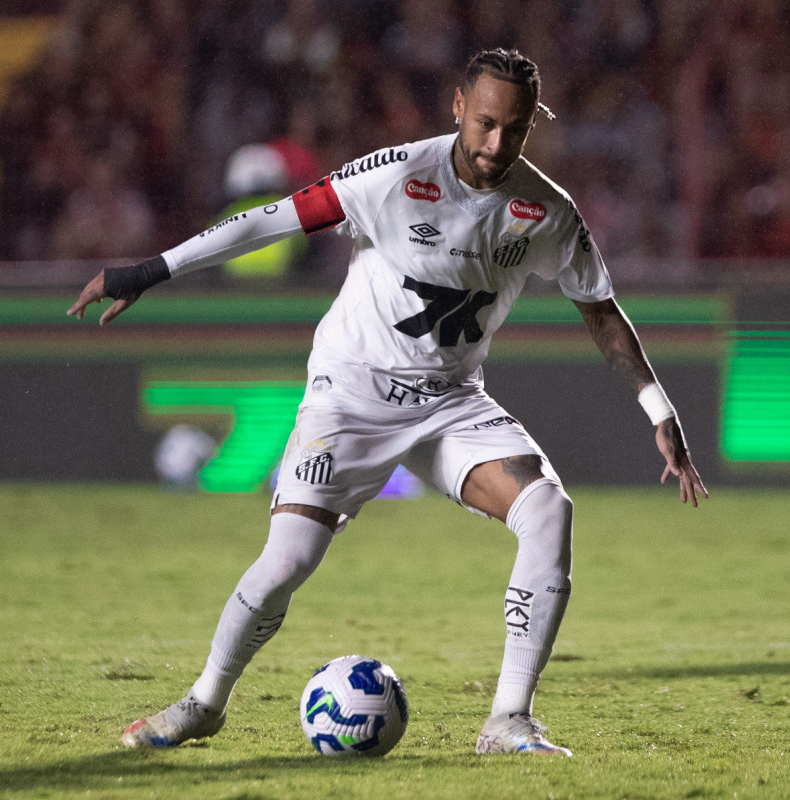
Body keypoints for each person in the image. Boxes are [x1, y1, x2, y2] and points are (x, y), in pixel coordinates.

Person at [68, 48, 706, 757]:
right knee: (287, 561)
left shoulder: (546, 210)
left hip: (450, 403)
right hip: (351, 396)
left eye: (515, 129)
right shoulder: (396, 175)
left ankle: (508, 720)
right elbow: (268, 220)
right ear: (458, 106)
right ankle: (204, 702)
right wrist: (152, 270)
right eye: (485, 123)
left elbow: (601, 309)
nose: (497, 144)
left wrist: (658, 408)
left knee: (548, 511)